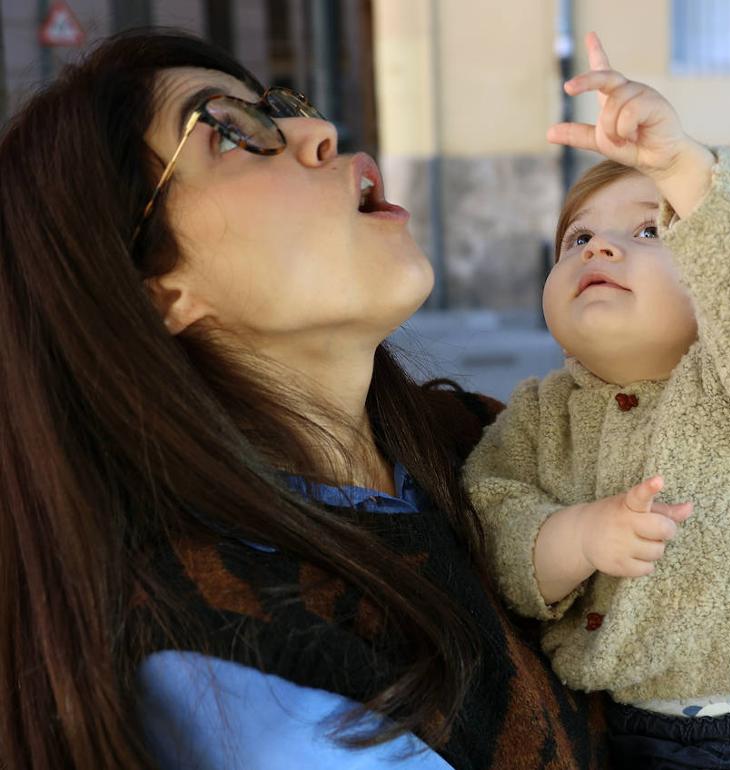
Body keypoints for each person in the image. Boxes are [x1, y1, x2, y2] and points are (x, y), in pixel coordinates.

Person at [0, 29, 608, 770]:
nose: (319, 131)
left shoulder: (482, 443)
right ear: (156, 293)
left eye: (282, 106)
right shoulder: (236, 668)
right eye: (228, 131)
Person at [465, 33, 730, 768]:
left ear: (715, 277)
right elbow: (490, 519)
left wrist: (683, 165)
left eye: (649, 230)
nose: (599, 247)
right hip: (634, 736)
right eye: (577, 237)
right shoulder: (538, 415)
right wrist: (577, 538)